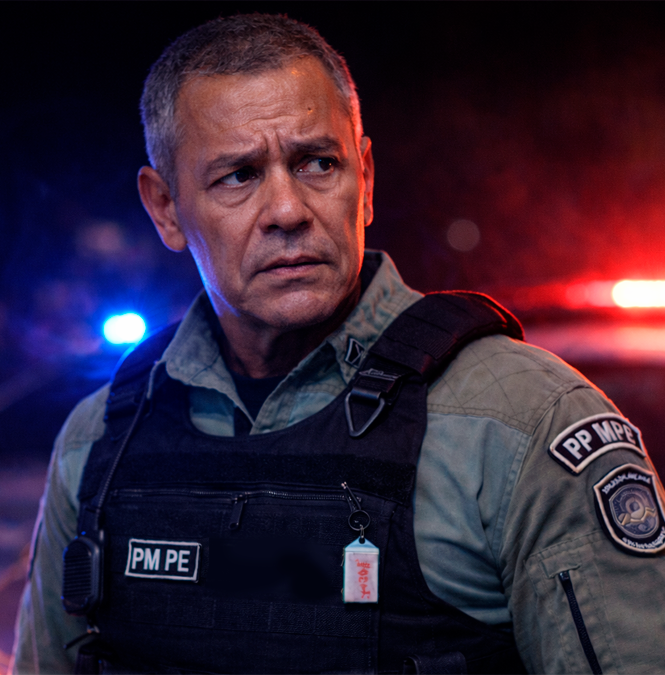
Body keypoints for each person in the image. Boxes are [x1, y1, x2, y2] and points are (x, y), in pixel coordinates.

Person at [11, 13, 665, 675]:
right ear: (165, 208)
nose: (287, 210)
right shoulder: (99, 441)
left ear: (366, 178)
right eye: (238, 175)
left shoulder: (522, 423)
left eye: (318, 163)